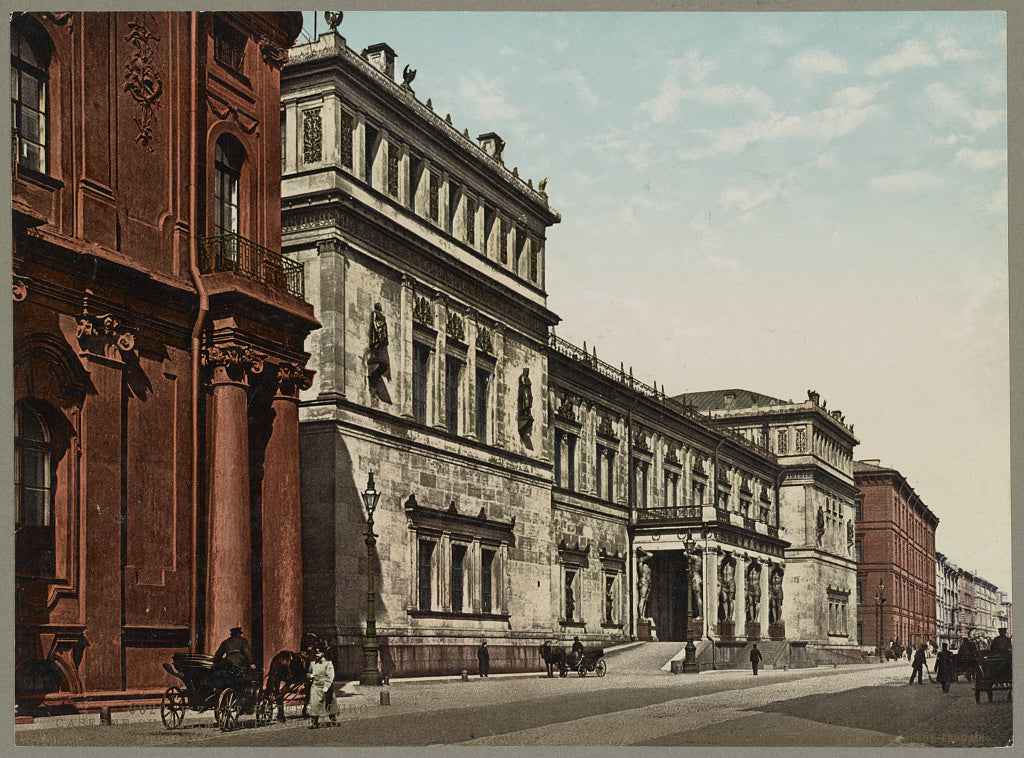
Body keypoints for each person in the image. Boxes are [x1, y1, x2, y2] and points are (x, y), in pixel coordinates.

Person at [306, 647, 335, 728]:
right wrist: (310, 676)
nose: (316, 655)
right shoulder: (312, 664)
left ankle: (333, 719)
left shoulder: (328, 664)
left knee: (328, 703)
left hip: (325, 686)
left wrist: (327, 686)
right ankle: (314, 722)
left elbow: (330, 676)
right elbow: (309, 672)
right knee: (315, 704)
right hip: (315, 686)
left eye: (318, 653)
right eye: (315, 653)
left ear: (322, 654)